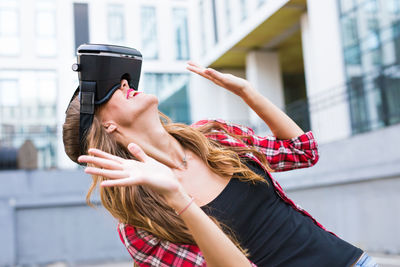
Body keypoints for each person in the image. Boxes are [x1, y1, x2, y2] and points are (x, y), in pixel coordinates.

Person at [63, 45, 378, 267]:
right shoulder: (141, 219)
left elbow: (302, 152)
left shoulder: (211, 136)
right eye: (113, 90)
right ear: (107, 125)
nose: (125, 83)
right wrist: (178, 198)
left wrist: (247, 93)